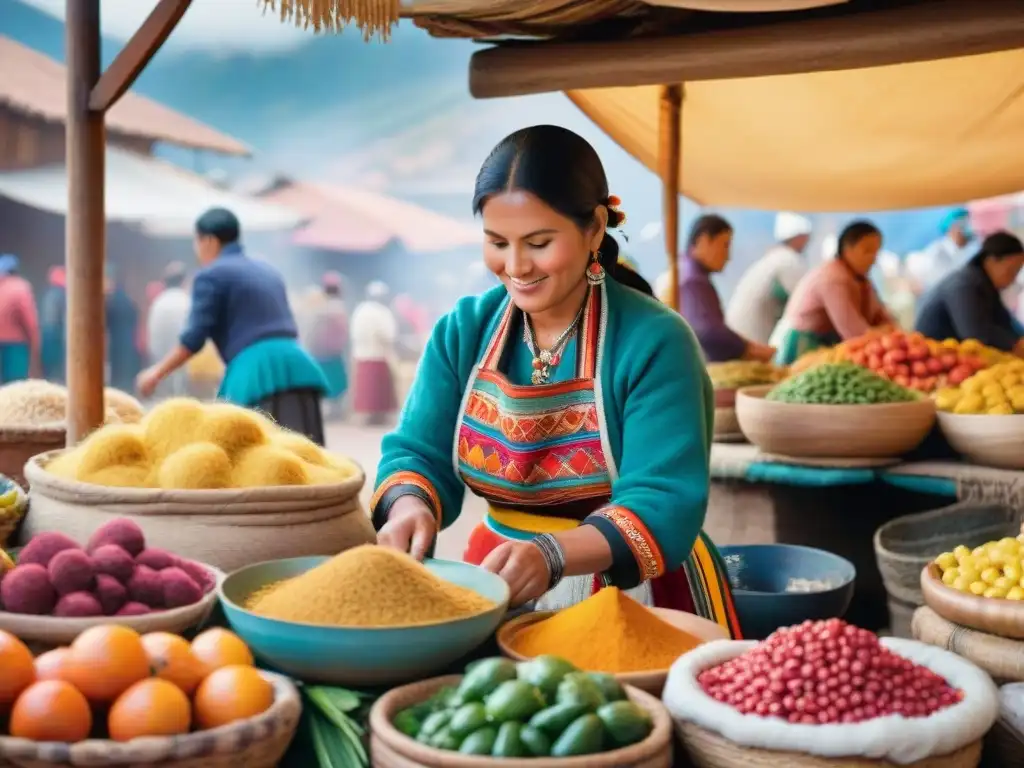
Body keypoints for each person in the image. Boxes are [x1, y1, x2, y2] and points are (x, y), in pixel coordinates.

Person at [372, 125, 741, 636]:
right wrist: (411, 506)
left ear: (593, 228)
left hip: (637, 597)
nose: (517, 266)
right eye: (497, 242)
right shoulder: (463, 331)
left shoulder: (656, 341)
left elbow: (662, 500)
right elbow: (416, 452)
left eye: (539, 243)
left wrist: (552, 554)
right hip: (499, 575)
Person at [135, 207, 329, 444]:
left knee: (254, 462)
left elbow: (193, 339)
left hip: (256, 374)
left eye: (196, 242)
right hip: (298, 365)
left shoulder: (210, 275)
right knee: (307, 460)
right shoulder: (269, 270)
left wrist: (156, 373)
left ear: (208, 240)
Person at [773, 220, 896, 365]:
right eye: (867, 251)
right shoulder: (834, 279)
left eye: (876, 252)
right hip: (802, 349)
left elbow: (881, 317)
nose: (873, 258)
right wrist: (886, 335)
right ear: (847, 249)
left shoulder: (862, 280)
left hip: (828, 347)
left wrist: (892, 332)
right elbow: (855, 333)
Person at [679, 215, 775, 363]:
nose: (727, 256)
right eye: (725, 245)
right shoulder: (692, 280)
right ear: (704, 240)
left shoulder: (687, 273)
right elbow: (711, 334)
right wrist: (754, 350)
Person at [915, 231, 1024, 355]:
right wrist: (1015, 344)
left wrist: (1018, 340)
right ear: (991, 261)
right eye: (1011, 271)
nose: (1013, 279)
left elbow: (1005, 322)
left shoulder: (986, 285)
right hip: (933, 358)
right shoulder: (964, 285)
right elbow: (975, 333)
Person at [725, 212, 812, 344]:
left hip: (741, 337)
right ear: (799, 236)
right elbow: (806, 301)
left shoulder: (774, 258)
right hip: (751, 343)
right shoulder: (788, 261)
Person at [350, 281, 399, 425]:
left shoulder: (359, 310)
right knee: (378, 390)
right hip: (379, 354)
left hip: (361, 354)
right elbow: (389, 334)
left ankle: (367, 415)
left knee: (366, 389)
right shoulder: (383, 312)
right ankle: (378, 415)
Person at [146, 263, 192, 398]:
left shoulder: (158, 303)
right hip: (181, 359)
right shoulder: (187, 301)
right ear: (183, 281)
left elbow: (151, 335)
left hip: (160, 359)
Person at [308, 271, 350, 419]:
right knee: (335, 382)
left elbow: (312, 330)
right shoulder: (338, 307)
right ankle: (334, 412)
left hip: (319, 352)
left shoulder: (320, 306)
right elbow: (343, 332)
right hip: (333, 352)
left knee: (324, 381)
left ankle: (327, 410)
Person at [0, 255, 40, 383]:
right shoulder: (20, 287)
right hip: (15, 346)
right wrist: (35, 344)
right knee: (15, 385)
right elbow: (30, 321)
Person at [917, 208, 974, 293]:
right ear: (952, 228)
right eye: (963, 225)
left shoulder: (969, 250)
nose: (968, 230)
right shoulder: (936, 253)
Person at [105, 271, 141, 393]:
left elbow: (106, 322)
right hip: (129, 341)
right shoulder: (128, 300)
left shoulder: (112, 301)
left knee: (117, 371)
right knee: (127, 371)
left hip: (116, 341)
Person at [40, 266, 67, 384]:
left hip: (47, 333)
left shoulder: (48, 294)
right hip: (57, 333)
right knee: (57, 366)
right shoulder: (61, 295)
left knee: (49, 365)